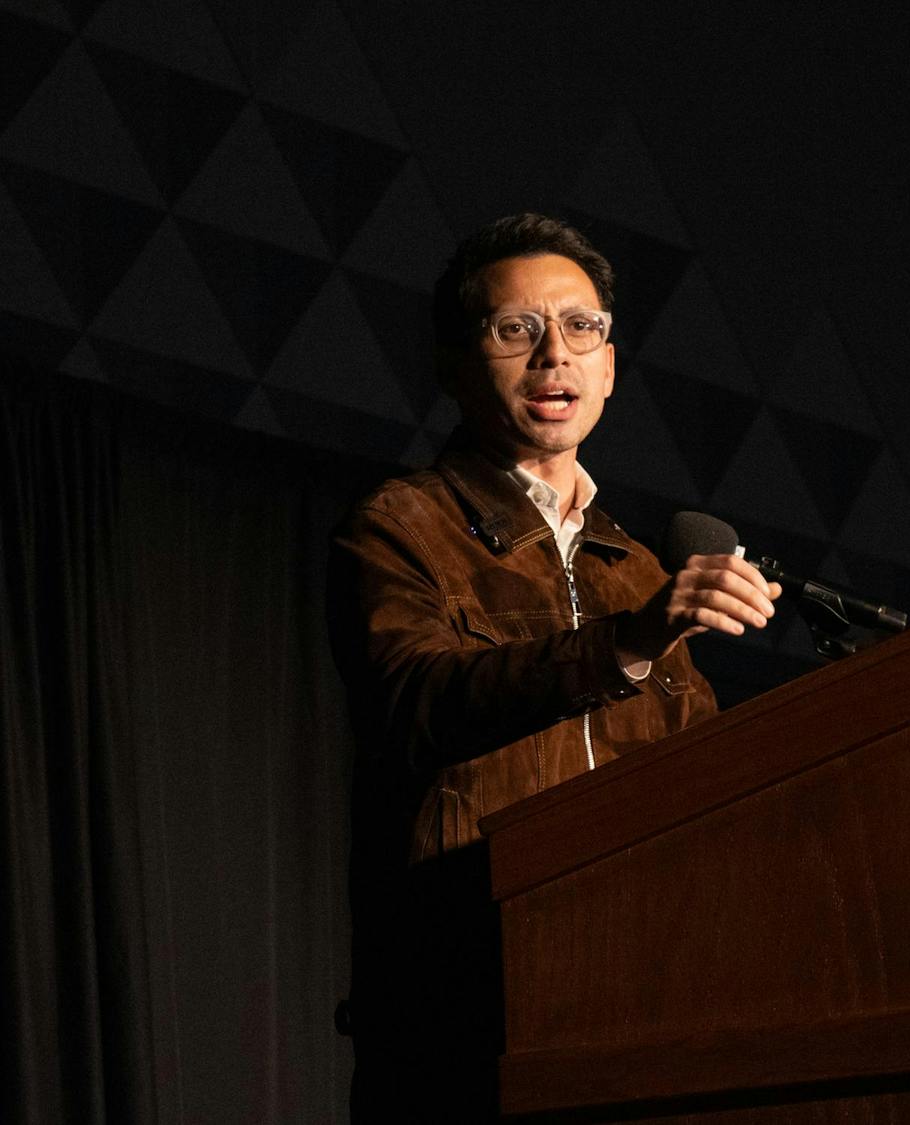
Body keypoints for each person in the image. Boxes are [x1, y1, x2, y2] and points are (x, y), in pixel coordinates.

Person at [326, 213, 780, 1119]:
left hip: (639, 1013)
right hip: (460, 1015)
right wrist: (626, 644)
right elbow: (421, 698)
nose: (553, 357)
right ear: (458, 364)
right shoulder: (401, 525)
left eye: (581, 329)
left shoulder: (644, 571)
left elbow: (710, 787)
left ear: (610, 367)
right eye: (515, 330)